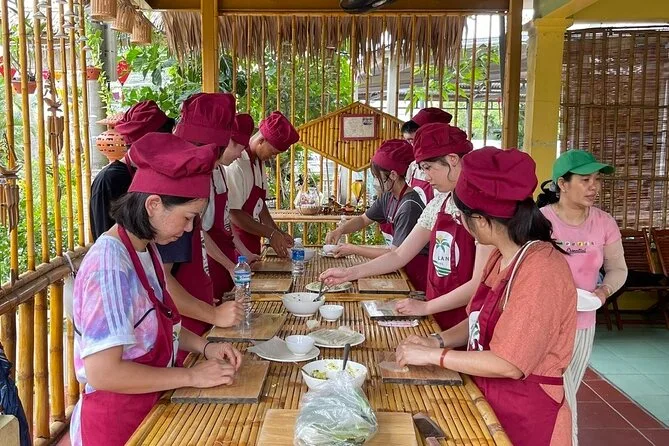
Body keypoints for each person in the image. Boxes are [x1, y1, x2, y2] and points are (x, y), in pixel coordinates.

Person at [395, 147, 577, 446]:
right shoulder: (500, 256)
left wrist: (434, 356)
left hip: (526, 413)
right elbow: (478, 321)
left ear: (479, 220)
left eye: (461, 216)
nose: (460, 223)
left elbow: (510, 363)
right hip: (491, 400)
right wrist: (437, 340)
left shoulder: (541, 269)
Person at [70, 133, 243, 446]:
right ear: (153, 205)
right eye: (187, 218)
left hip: (148, 411)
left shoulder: (146, 249)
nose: (188, 229)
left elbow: (159, 328)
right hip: (115, 424)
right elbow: (103, 373)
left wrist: (205, 347)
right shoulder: (109, 266)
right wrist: (192, 376)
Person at [321, 123, 487, 330]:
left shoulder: (482, 211)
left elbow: (479, 283)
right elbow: (398, 255)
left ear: (452, 159)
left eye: (428, 168)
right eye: (423, 169)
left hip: (466, 318)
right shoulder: (439, 204)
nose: (426, 177)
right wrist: (349, 273)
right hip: (438, 306)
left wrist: (426, 307)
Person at [537, 149, 627, 446]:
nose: (594, 187)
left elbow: (618, 269)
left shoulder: (604, 222)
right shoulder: (541, 221)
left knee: (567, 389)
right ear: (562, 184)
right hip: (544, 322)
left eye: (597, 180)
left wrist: (604, 292)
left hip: (583, 321)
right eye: (585, 180)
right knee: (555, 391)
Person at [166, 93, 248, 363]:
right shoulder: (173, 192)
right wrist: (212, 314)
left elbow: (199, 237)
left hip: (196, 316)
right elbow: (161, 282)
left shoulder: (193, 180)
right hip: (182, 320)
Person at [324, 139, 428, 290]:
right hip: (396, 269)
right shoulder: (388, 196)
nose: (374, 181)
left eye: (376, 176)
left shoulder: (409, 207)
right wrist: (340, 230)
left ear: (393, 175)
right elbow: (363, 219)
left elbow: (395, 254)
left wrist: (354, 249)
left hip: (414, 276)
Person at [90, 100, 175, 241]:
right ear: (147, 143)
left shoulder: (150, 172)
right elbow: (105, 239)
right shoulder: (109, 180)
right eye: (164, 142)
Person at [201, 113, 261, 301]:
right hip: (210, 261)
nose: (239, 155)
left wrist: (245, 254)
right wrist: (228, 265)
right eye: (239, 148)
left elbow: (226, 223)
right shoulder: (202, 175)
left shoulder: (220, 171)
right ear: (227, 142)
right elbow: (199, 233)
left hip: (227, 259)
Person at [227, 111, 299, 257]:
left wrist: (278, 232)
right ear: (261, 140)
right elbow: (234, 213)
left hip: (253, 242)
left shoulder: (258, 162)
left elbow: (260, 205)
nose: (273, 157)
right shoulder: (236, 163)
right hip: (235, 246)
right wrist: (270, 233)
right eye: (273, 152)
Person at [401, 107, 452, 205]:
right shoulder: (414, 166)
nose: (413, 145)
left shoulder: (448, 166)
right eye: (409, 141)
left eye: (415, 140)